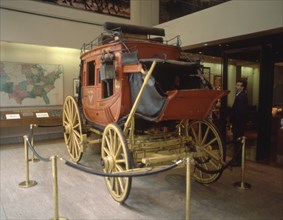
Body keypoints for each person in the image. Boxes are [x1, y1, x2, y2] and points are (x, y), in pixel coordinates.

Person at [230, 79, 248, 166]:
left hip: (238, 123)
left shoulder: (241, 97)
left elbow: (239, 112)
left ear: (242, 87)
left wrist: (233, 121)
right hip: (238, 123)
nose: (236, 87)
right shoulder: (239, 95)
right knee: (237, 141)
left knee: (237, 142)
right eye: (236, 85)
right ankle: (237, 159)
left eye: (238, 85)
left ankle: (237, 161)